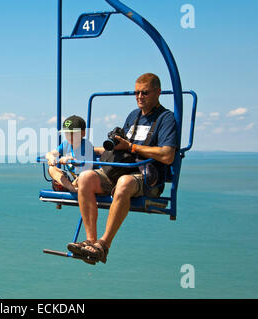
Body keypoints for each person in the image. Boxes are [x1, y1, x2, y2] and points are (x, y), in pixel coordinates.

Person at [68, 73, 177, 264]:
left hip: (145, 176)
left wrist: (132, 147)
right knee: (85, 178)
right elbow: (123, 147)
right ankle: (90, 241)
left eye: (145, 93)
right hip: (120, 169)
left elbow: (168, 155)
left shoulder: (165, 119)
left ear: (158, 92)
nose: (139, 97)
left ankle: (103, 245)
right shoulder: (133, 116)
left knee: (124, 183)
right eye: (136, 93)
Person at [45, 115, 98, 193]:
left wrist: (70, 159)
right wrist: (51, 157)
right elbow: (50, 153)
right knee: (51, 168)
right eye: (66, 133)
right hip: (72, 178)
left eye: (72, 133)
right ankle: (72, 189)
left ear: (83, 133)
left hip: (85, 177)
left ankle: (70, 187)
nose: (69, 136)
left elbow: (87, 166)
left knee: (83, 177)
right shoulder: (66, 144)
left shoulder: (87, 145)